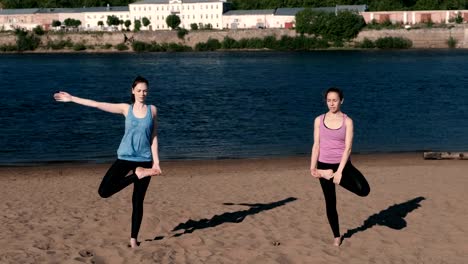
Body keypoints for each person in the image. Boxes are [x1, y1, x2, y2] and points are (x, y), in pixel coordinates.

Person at [54, 75, 162, 248]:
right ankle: (137, 175)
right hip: (125, 158)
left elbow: (154, 137)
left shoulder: (152, 110)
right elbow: (97, 104)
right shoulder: (126, 109)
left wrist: (156, 163)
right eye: (139, 90)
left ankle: (133, 240)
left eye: (145, 90)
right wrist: (72, 98)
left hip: (145, 160)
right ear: (132, 91)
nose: (142, 93)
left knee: (137, 201)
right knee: (104, 191)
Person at [310, 87, 370, 246]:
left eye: (335, 100)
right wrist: (313, 169)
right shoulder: (318, 120)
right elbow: (316, 145)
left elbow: (348, 148)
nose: (331, 103)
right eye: (329, 100)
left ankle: (329, 174)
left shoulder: (347, 121)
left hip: (343, 164)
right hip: (323, 165)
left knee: (364, 190)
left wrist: (339, 173)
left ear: (341, 101)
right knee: (330, 202)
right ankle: (336, 236)